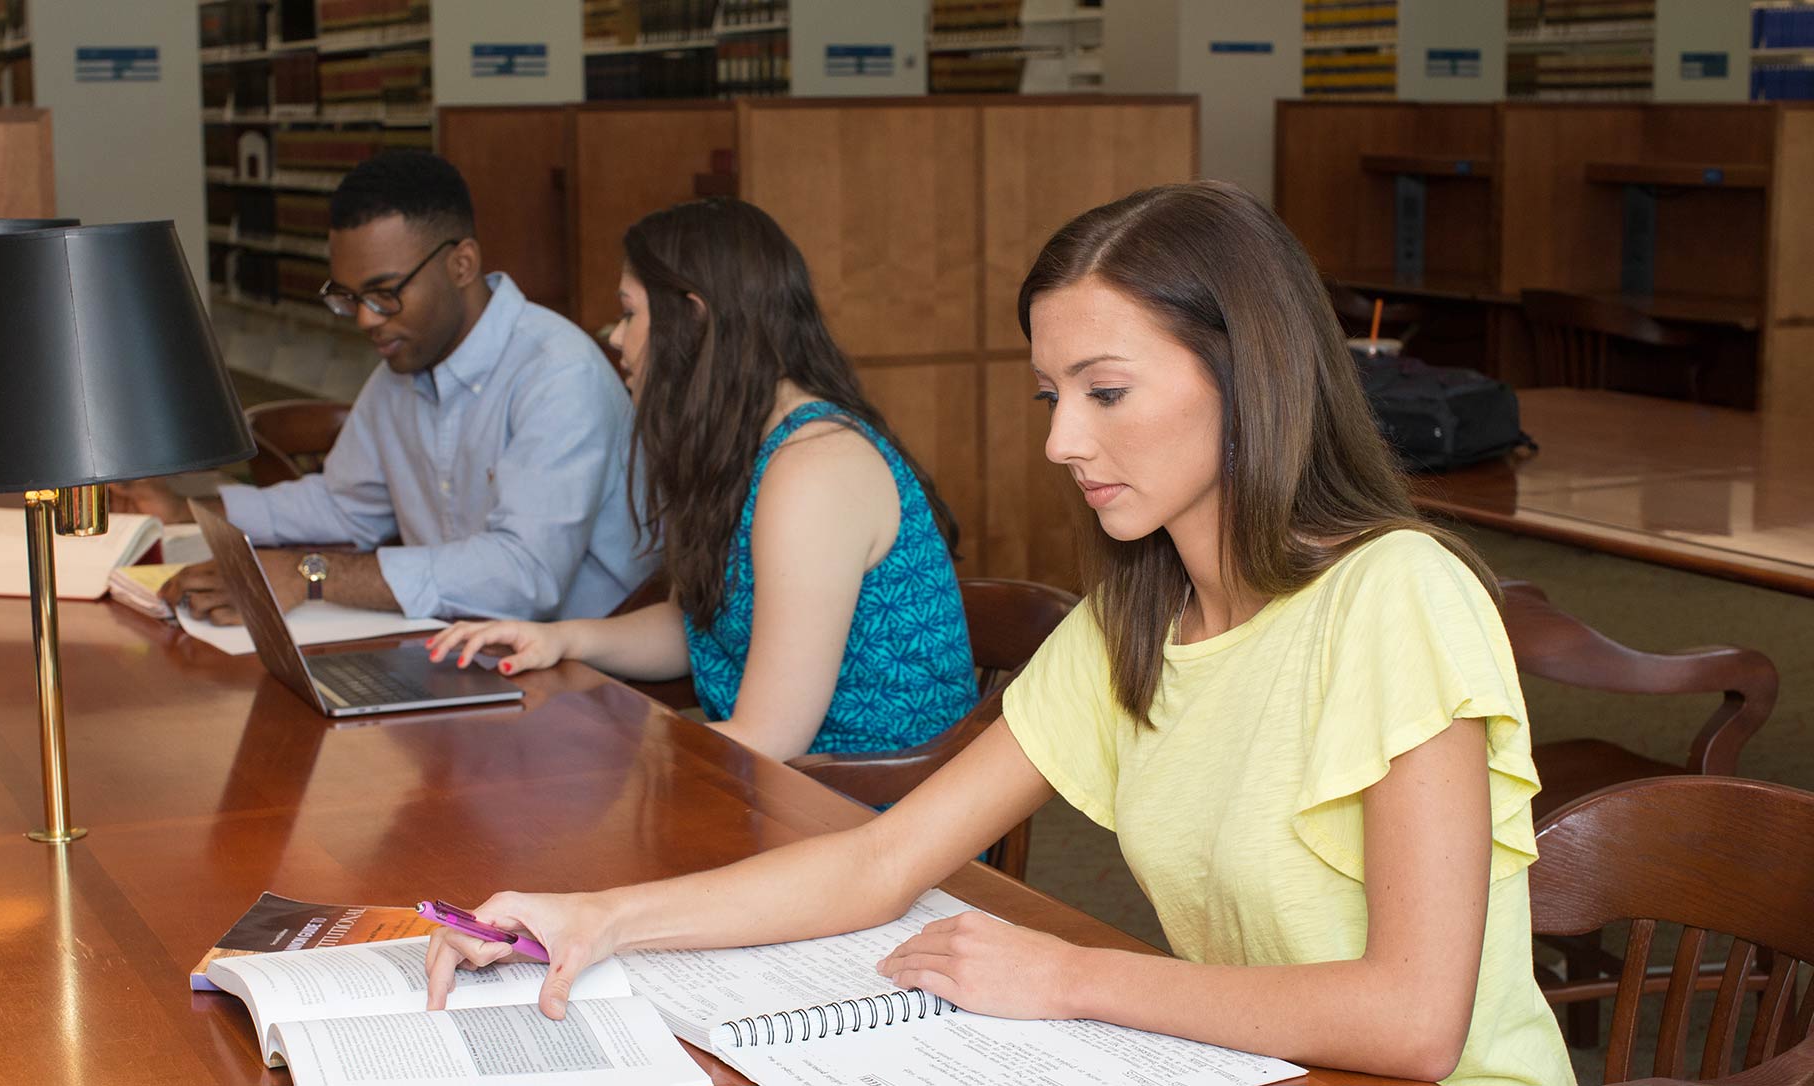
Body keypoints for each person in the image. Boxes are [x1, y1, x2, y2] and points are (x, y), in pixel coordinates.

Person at [420, 183, 1577, 1086]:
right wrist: (595, 920)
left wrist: (1075, 977)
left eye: (1105, 392)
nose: (1062, 441)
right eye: (1050, 397)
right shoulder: (1139, 617)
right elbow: (882, 860)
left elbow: (1418, 1023)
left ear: (1247, 375)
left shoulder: (1397, 598)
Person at [424, 198, 977, 762]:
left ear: (692, 317)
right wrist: (563, 637)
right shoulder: (749, 442)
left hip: (870, 812)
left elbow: (770, 737)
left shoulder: (816, 467)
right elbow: (697, 628)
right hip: (799, 789)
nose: (615, 337)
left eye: (629, 312)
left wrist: (595, 757)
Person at [116, 150, 652, 623]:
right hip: (461, 642)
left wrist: (309, 575)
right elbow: (345, 506)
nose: (366, 321)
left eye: (384, 293)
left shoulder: (556, 374)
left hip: (586, 676)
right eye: (348, 297)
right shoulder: (404, 366)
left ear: (462, 264)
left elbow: (524, 577)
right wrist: (187, 509)